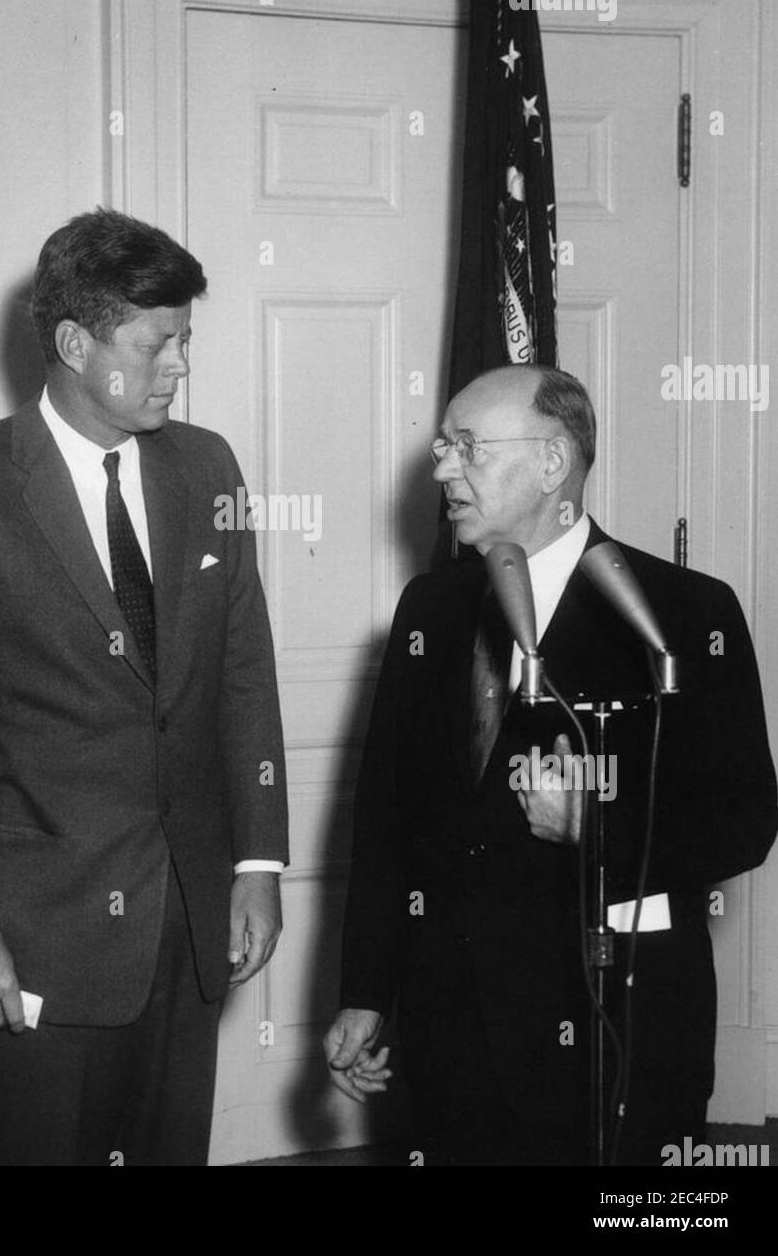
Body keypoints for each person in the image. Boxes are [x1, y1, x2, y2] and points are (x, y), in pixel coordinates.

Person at [0, 207, 288, 1165]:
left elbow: (242, 671)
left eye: (185, 341)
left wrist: (256, 865)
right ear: (72, 342)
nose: (179, 367)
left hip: (186, 927)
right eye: (157, 345)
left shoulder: (206, 466)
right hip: (30, 936)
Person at [324, 365, 776, 1165]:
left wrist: (597, 826)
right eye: (441, 446)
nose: (439, 469)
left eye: (467, 447)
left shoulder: (683, 610)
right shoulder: (429, 608)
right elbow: (386, 819)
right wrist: (364, 993)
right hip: (451, 1028)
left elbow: (742, 820)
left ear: (551, 462)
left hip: (614, 1022)